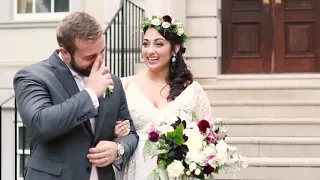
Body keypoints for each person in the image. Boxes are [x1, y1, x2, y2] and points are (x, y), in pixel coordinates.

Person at [13, 12, 138, 180]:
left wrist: (118, 148)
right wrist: (90, 94)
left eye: (102, 51)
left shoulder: (112, 81)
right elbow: (40, 123)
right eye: (90, 57)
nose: (99, 60)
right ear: (65, 53)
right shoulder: (32, 77)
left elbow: (131, 132)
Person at [113, 15, 213, 180]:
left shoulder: (192, 91)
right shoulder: (124, 86)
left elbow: (207, 139)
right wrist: (113, 131)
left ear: (175, 49)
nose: (150, 50)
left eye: (158, 44)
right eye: (145, 44)